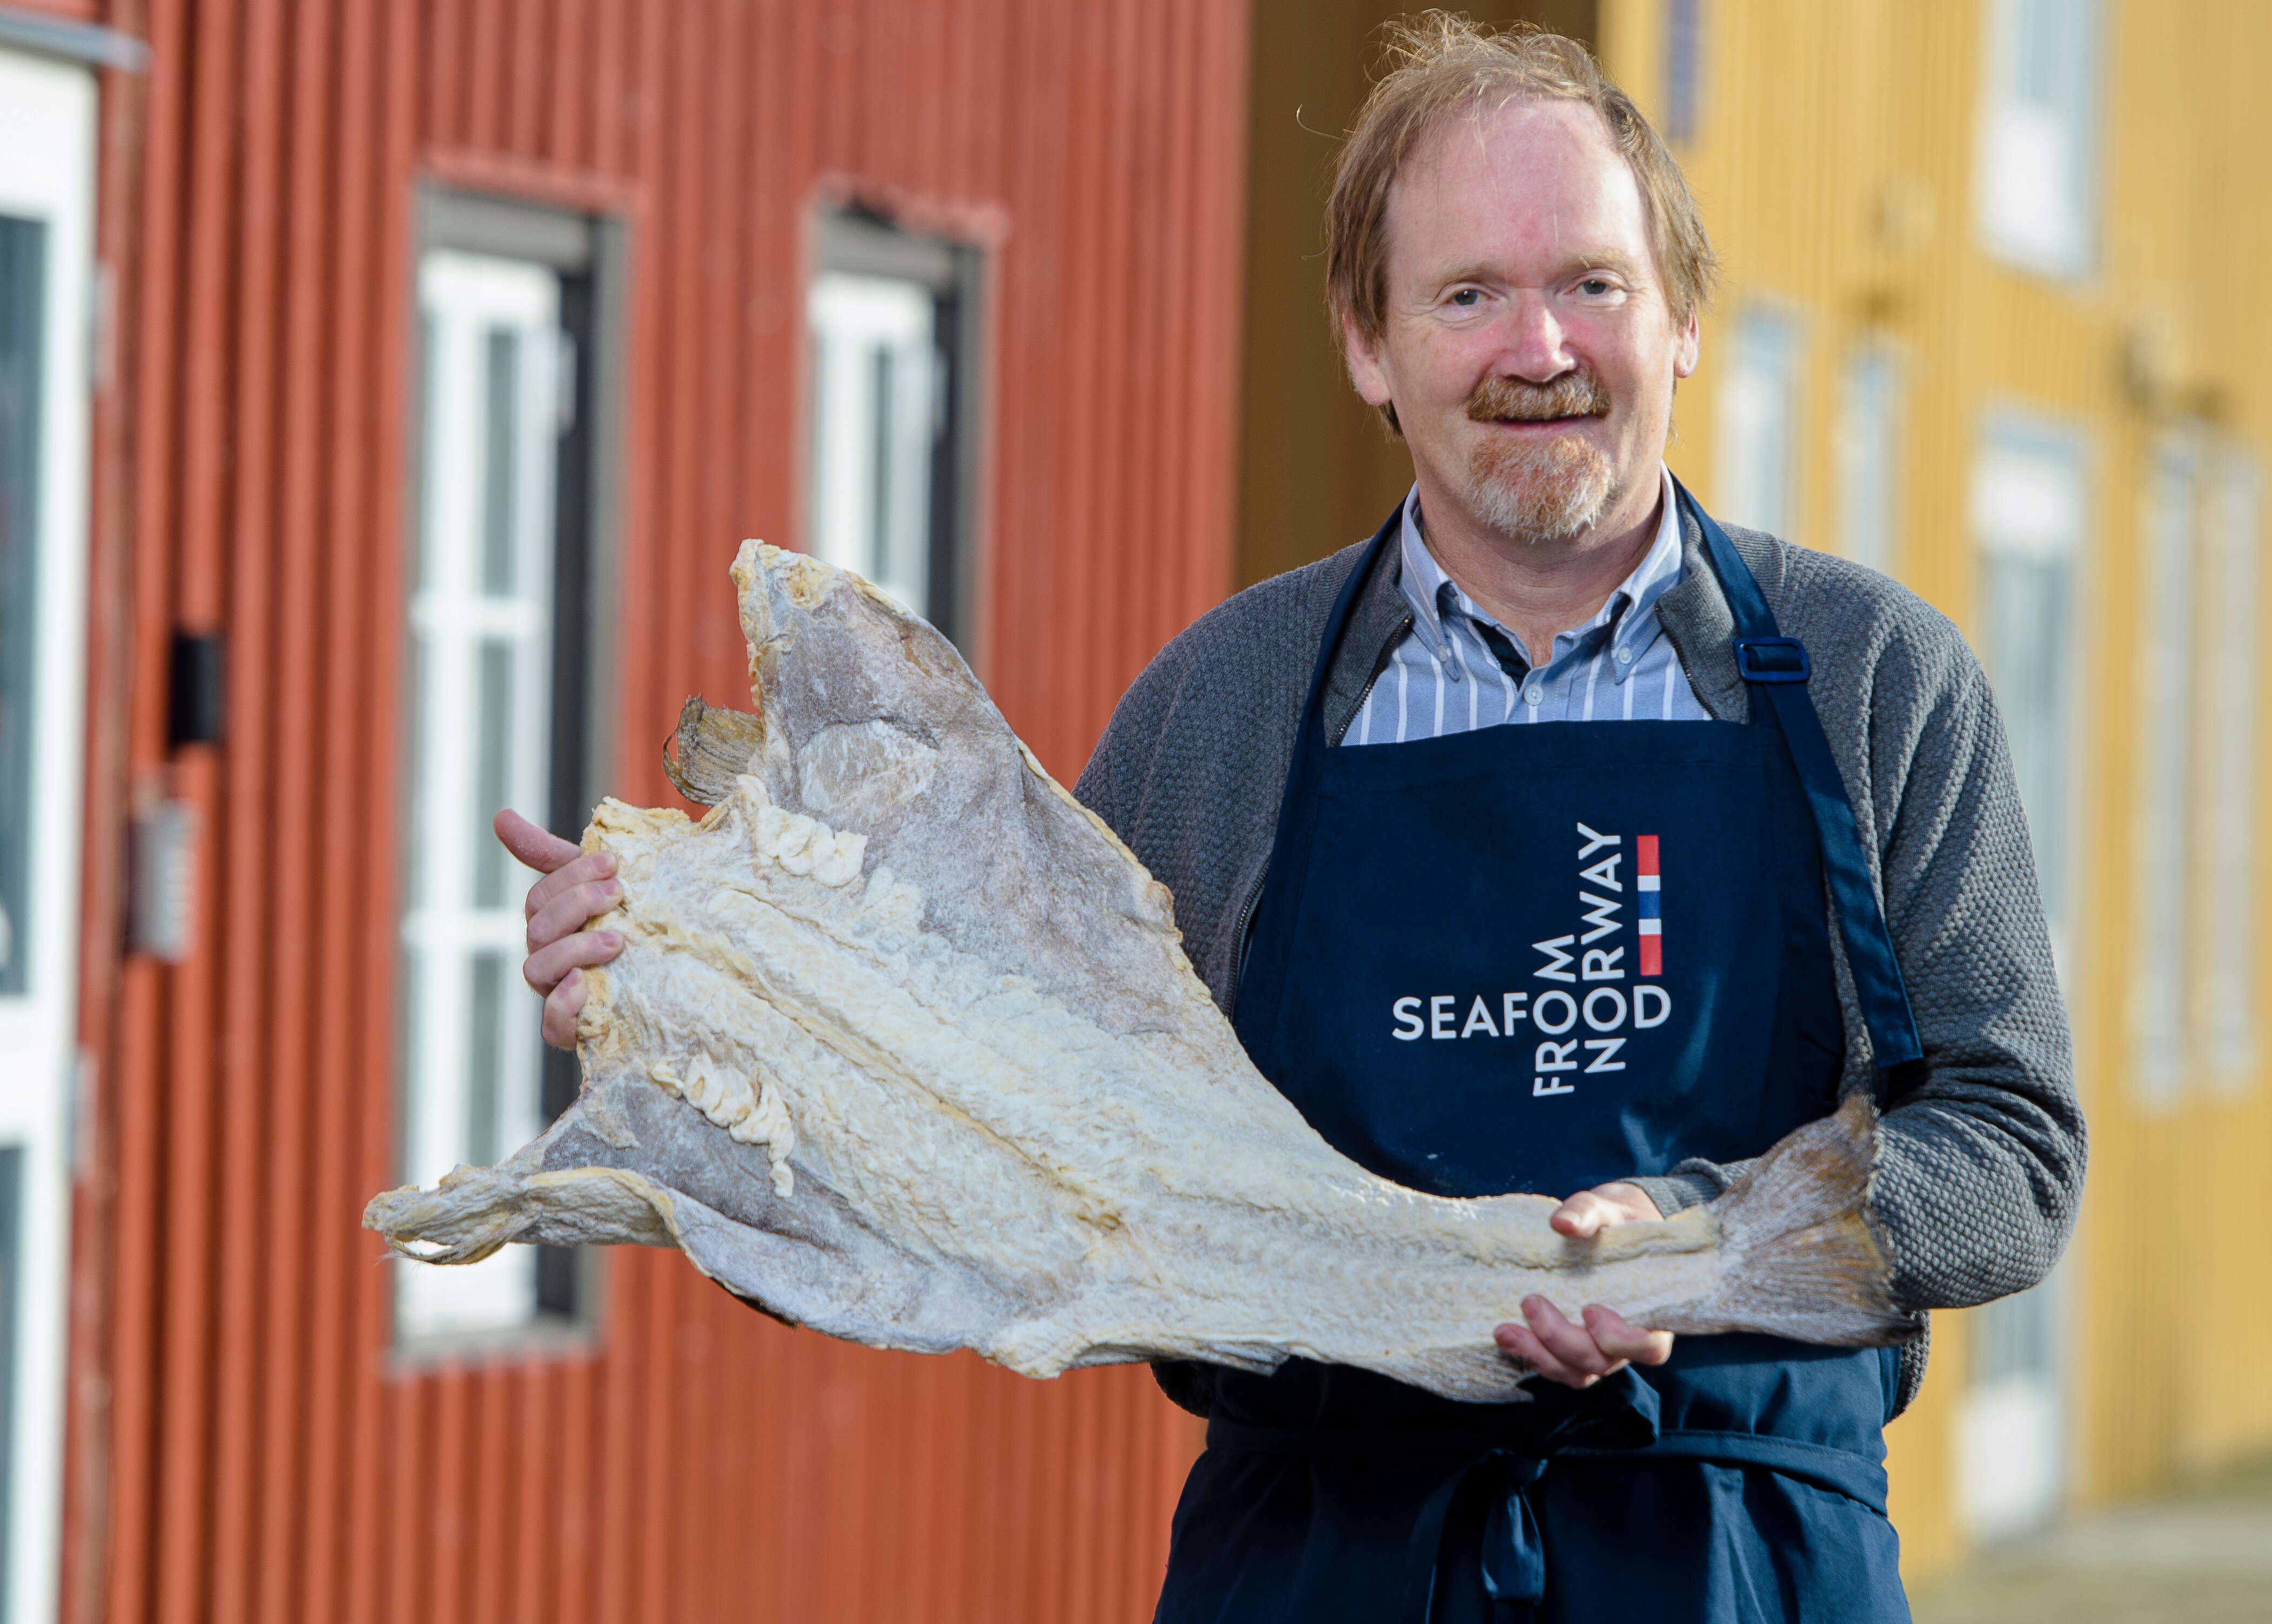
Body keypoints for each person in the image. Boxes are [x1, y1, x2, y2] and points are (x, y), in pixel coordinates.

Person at [504, 18, 2083, 1622]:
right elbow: (967, 1154)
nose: (1536, 347)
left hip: (1741, 1560)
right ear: (1365, 344)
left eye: (1592, 283)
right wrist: (677, 1006)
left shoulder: (1870, 679)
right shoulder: (1222, 711)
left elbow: (2012, 1156)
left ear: (1680, 320)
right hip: (1320, 1561)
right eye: (1465, 293)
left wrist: (1694, 1247)